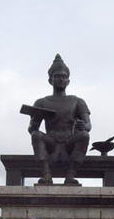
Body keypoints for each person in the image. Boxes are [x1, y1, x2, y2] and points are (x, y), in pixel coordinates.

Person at [27, 54, 91, 185]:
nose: (61, 79)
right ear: (51, 80)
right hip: (50, 142)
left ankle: (71, 175)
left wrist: (82, 126)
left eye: (64, 76)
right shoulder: (41, 102)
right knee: (36, 135)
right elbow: (32, 129)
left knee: (84, 135)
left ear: (68, 81)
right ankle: (46, 175)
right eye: (57, 76)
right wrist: (35, 120)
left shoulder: (77, 101)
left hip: (69, 142)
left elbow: (88, 125)